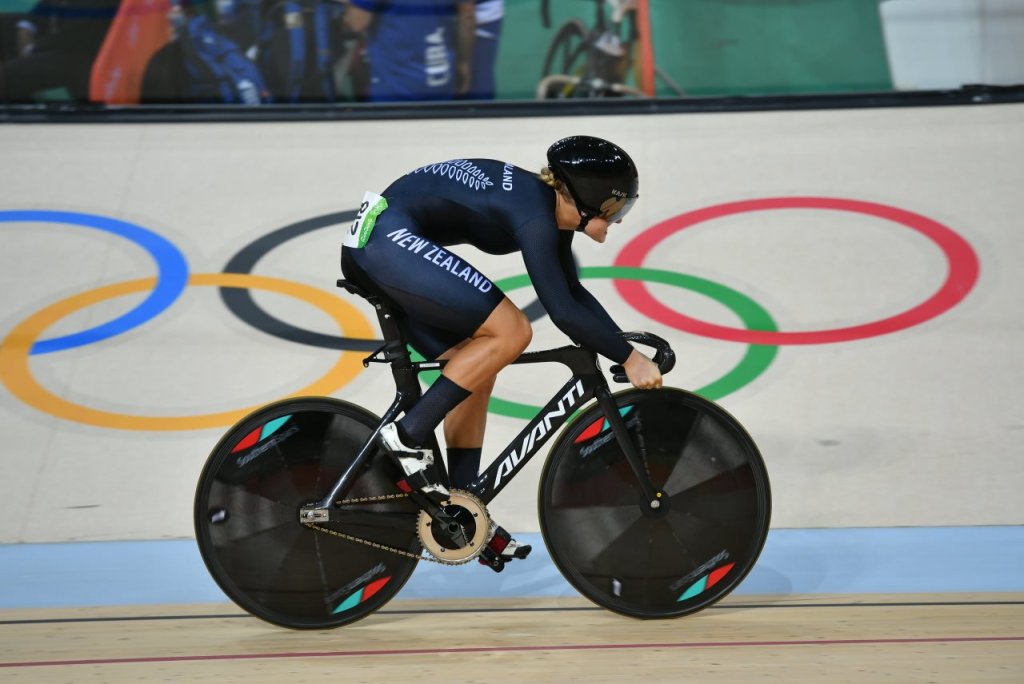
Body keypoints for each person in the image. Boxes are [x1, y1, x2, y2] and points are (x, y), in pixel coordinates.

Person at [340, 135, 662, 564]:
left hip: (382, 239)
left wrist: (622, 344)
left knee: (477, 363)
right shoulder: (535, 215)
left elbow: (573, 292)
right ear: (586, 201)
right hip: (387, 240)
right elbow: (563, 311)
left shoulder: (549, 209)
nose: (619, 219)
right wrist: (628, 358)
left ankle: (460, 504)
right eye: (615, 208)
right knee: (511, 331)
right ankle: (407, 435)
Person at [342, 0, 475, 102]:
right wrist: (463, 62)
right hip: (441, 84)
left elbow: (356, 23)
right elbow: (467, 16)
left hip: (395, 93)